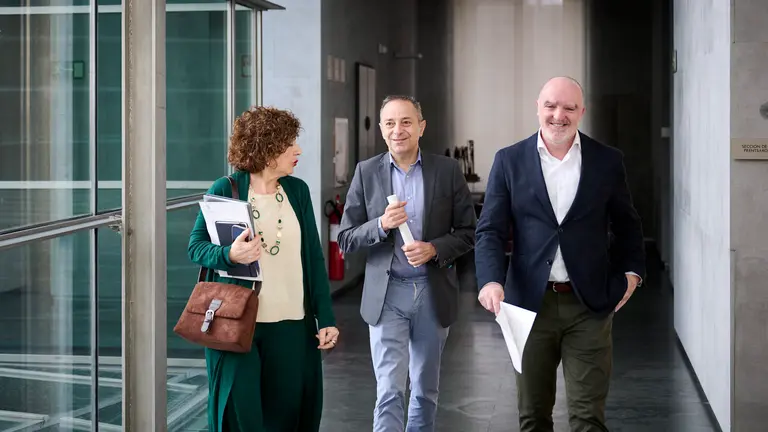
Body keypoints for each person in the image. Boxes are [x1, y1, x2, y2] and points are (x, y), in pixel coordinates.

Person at [475, 76, 646, 431]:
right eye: (551, 106)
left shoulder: (607, 161)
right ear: (538, 108)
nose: (559, 115)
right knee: (533, 417)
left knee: (587, 418)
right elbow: (490, 230)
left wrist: (632, 273)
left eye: (569, 108)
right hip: (528, 306)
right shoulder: (509, 161)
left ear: (582, 112)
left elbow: (628, 225)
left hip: (589, 306)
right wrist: (490, 280)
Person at [187, 106, 339, 432]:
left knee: (285, 416)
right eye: (289, 144)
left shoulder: (297, 191)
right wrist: (230, 253)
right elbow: (196, 247)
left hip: (292, 327)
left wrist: (325, 318)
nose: (297, 150)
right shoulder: (226, 189)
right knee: (242, 418)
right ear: (267, 149)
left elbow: (313, 257)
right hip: (238, 325)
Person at [337, 95, 476, 432]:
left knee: (425, 390)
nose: (398, 130)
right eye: (390, 123)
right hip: (387, 296)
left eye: (406, 122)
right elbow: (346, 237)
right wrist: (381, 225)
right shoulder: (366, 172)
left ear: (421, 127)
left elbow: (470, 231)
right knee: (389, 390)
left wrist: (434, 248)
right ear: (382, 131)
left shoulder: (446, 170)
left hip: (432, 292)